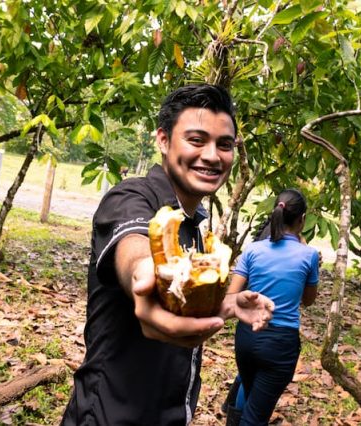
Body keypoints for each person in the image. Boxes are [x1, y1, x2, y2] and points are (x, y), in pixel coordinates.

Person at [61, 84, 274, 426]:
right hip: (107, 417)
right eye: (196, 140)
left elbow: (181, 299)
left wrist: (229, 304)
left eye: (225, 145)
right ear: (163, 140)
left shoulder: (196, 224)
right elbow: (135, 250)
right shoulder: (129, 197)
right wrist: (145, 274)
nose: (212, 155)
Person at [225, 189, 320, 425]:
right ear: (302, 219)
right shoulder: (309, 255)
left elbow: (231, 295)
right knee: (256, 417)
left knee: (248, 389)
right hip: (280, 343)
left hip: (246, 336)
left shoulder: (253, 250)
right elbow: (308, 300)